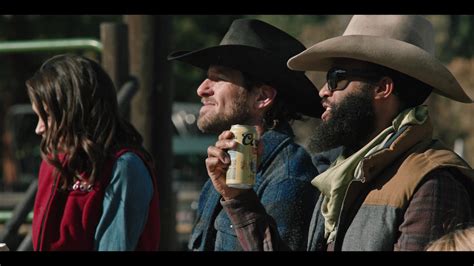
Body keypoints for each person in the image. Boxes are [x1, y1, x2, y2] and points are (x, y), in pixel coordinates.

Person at [218, 15, 474, 251]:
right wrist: (239, 198)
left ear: (383, 88)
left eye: (336, 79)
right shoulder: (342, 173)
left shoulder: (432, 182)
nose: (323, 92)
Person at [168, 18, 326, 251]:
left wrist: (239, 201)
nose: (201, 89)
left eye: (219, 77)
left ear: (262, 97)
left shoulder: (289, 176)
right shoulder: (223, 168)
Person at [28, 54, 160, 251]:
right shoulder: (54, 162)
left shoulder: (125, 168)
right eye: (37, 116)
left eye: (46, 116)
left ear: (76, 112)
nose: (39, 129)